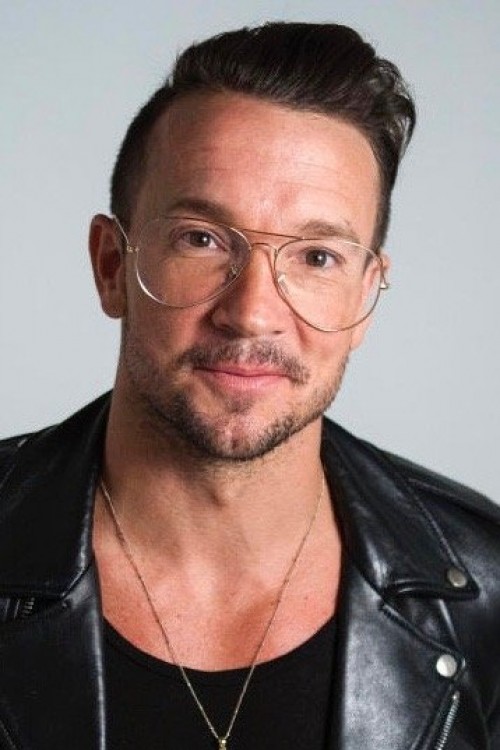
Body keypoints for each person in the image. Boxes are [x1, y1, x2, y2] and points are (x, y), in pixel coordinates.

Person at [0, 21, 498, 750]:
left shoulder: (485, 586)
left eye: (317, 256)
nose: (252, 312)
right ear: (112, 266)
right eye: (201, 239)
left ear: (367, 295)